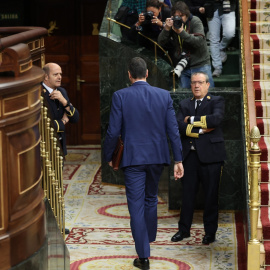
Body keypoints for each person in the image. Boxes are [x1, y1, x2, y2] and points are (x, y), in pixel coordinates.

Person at [103, 57, 184, 270]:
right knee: (150, 198)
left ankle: (143, 256)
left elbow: (113, 131)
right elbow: (173, 130)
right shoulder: (164, 95)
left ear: (129, 75)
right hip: (157, 157)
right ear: (147, 73)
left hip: (133, 159)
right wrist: (178, 159)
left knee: (136, 206)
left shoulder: (120, 96)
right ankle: (148, 239)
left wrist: (109, 157)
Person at [172, 72, 226, 245]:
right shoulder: (184, 103)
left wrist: (191, 120)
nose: (196, 86)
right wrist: (201, 130)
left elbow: (215, 119)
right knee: (187, 195)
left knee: (211, 196)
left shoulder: (216, 101)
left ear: (207, 84)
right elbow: (178, 125)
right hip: (190, 157)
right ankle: (183, 230)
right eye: (194, 82)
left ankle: (209, 232)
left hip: (211, 157)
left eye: (200, 82)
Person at [158, 1, 214, 88]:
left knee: (207, 95)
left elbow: (198, 42)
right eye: (177, 16)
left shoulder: (195, 21)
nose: (179, 19)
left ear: (187, 15)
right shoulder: (173, 25)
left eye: (182, 16)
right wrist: (166, 29)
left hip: (200, 64)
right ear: (172, 16)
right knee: (185, 97)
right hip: (183, 66)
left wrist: (181, 32)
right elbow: (160, 42)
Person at [42, 63, 79, 157]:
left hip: (60, 147)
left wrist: (64, 102)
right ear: (46, 77)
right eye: (55, 74)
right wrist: (63, 121)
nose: (59, 77)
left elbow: (75, 119)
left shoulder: (62, 91)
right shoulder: (39, 94)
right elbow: (43, 126)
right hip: (45, 149)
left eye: (60, 74)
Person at [206, 0, 236, 77]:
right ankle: (217, 68)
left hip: (228, 7)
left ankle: (221, 47)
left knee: (230, 33)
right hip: (211, 8)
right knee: (213, 39)